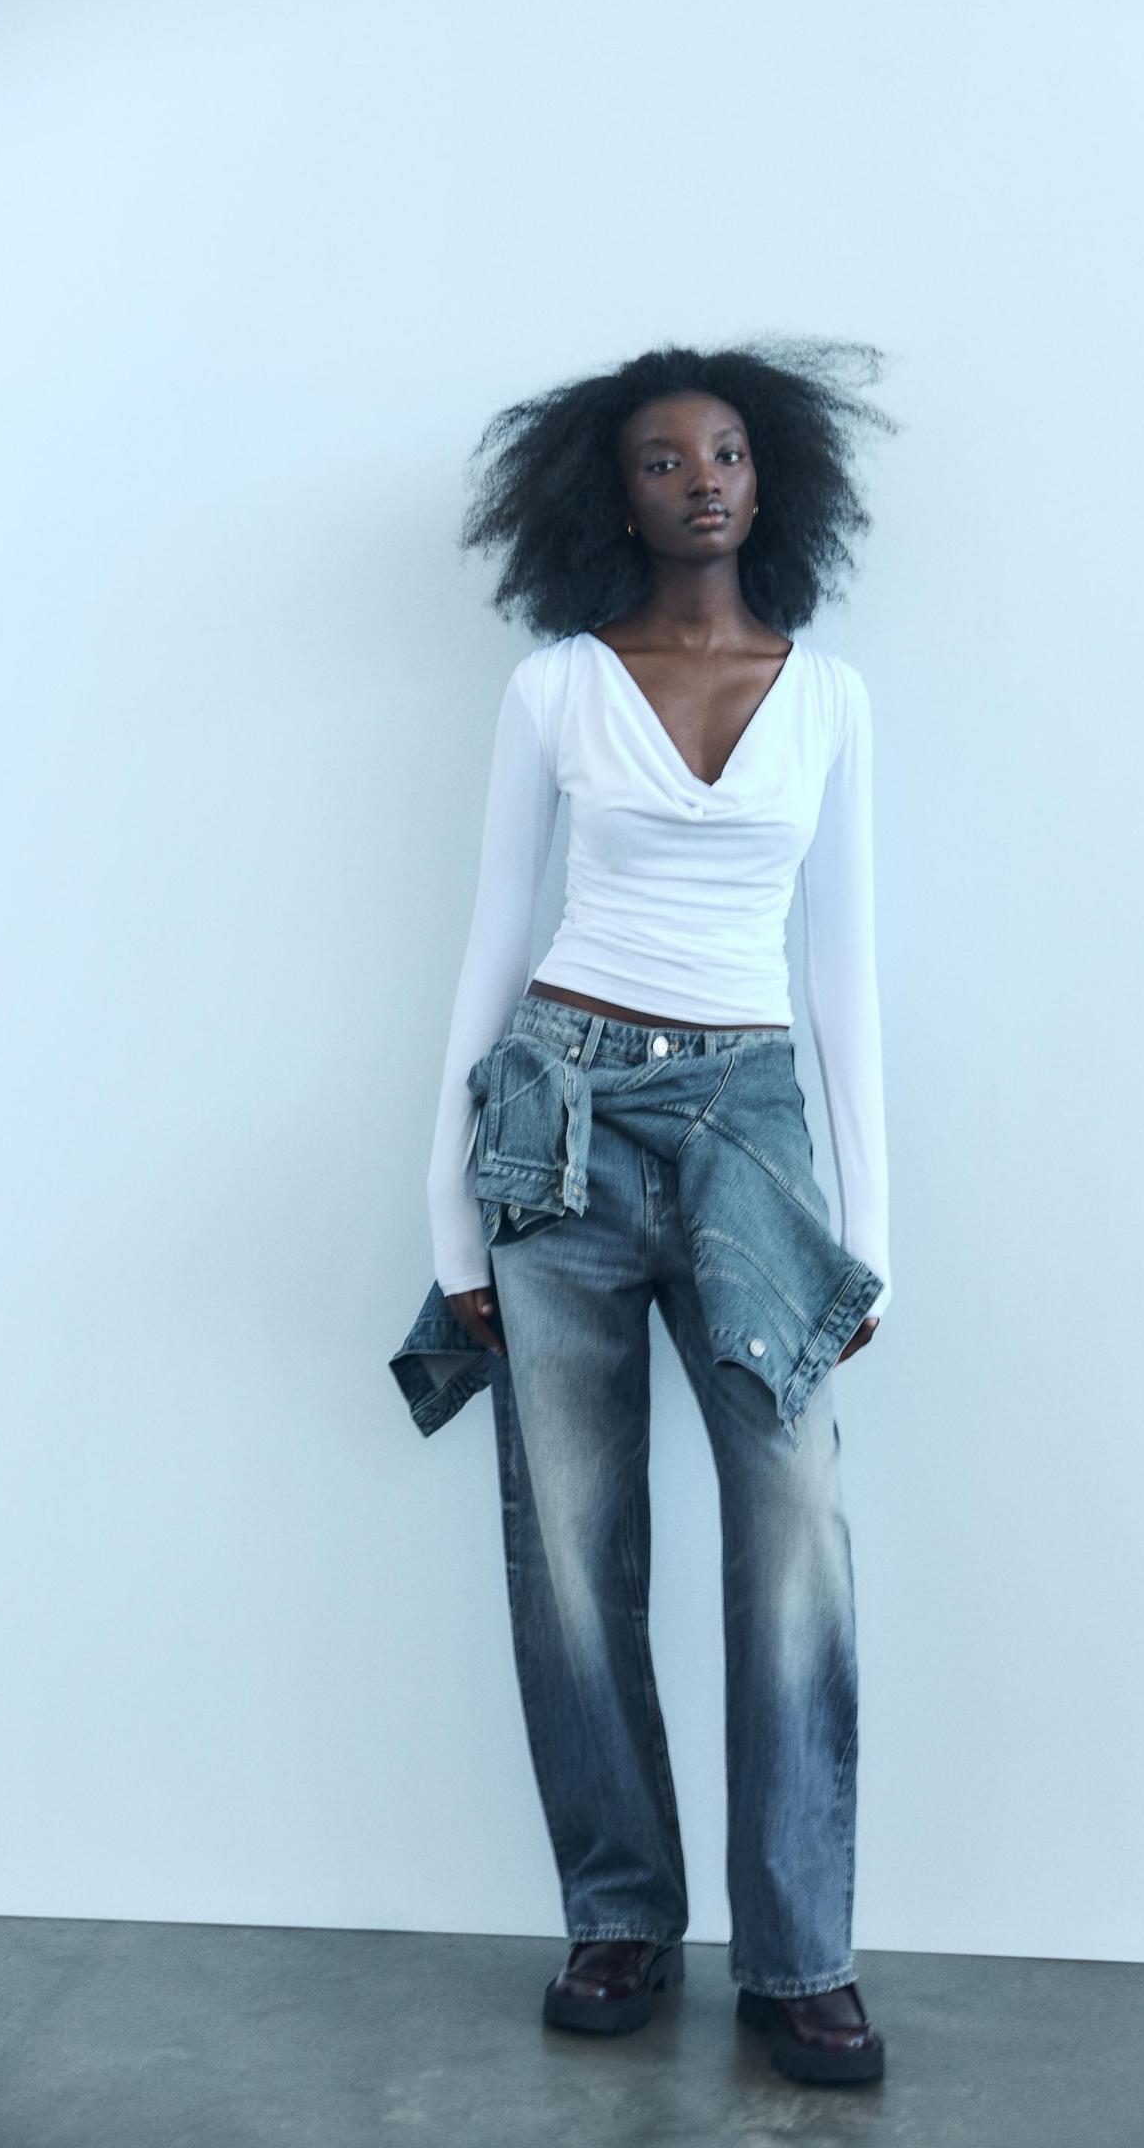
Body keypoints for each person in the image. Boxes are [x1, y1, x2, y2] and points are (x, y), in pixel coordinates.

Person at [424, 338, 896, 2087]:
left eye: (726, 453)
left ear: (773, 478)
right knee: (571, 1549)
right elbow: (494, 938)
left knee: (794, 1535)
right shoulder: (555, 688)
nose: (701, 481)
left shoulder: (826, 697)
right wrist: (445, 1213)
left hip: (748, 1127)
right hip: (556, 1111)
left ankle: (799, 1957)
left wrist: (872, 1232)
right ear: (607, 495)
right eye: (661, 460)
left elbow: (840, 976)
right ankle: (618, 1914)